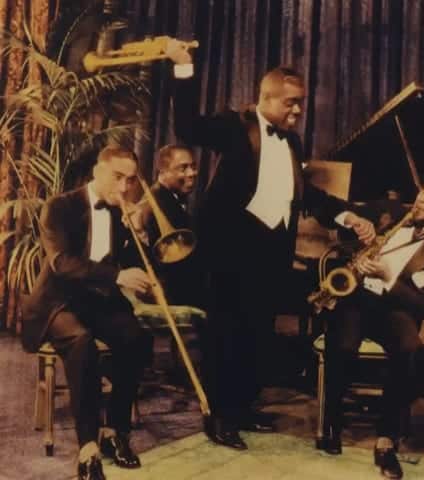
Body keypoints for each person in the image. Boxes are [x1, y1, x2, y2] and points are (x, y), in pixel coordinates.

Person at [165, 41, 376, 450]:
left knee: (257, 334)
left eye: (301, 103)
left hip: (270, 255)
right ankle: (218, 416)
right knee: (225, 336)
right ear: (266, 97)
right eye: (291, 103)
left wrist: (347, 216)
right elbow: (188, 127)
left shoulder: (291, 143)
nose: (298, 111)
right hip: (228, 254)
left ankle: (243, 407)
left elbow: (305, 195)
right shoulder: (235, 126)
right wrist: (184, 66)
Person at [322, 177, 424, 480]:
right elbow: (342, 218)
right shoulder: (388, 212)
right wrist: (356, 226)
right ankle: (331, 419)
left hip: (395, 308)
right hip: (357, 297)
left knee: (409, 347)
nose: (423, 198)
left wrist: (389, 277)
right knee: (343, 343)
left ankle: (387, 436)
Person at [21, 146, 152, 480]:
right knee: (82, 342)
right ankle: (88, 448)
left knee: (136, 338)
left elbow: (128, 263)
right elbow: (61, 263)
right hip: (58, 302)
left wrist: (138, 236)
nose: (124, 187)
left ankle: (115, 432)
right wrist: (118, 276)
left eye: (130, 180)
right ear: (98, 171)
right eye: (117, 177)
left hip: (98, 301)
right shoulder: (59, 206)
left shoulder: (119, 211)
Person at [140, 144, 200, 305]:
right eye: (183, 168)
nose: (192, 173)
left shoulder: (173, 196)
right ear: (163, 172)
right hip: (172, 294)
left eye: (193, 167)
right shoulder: (154, 204)